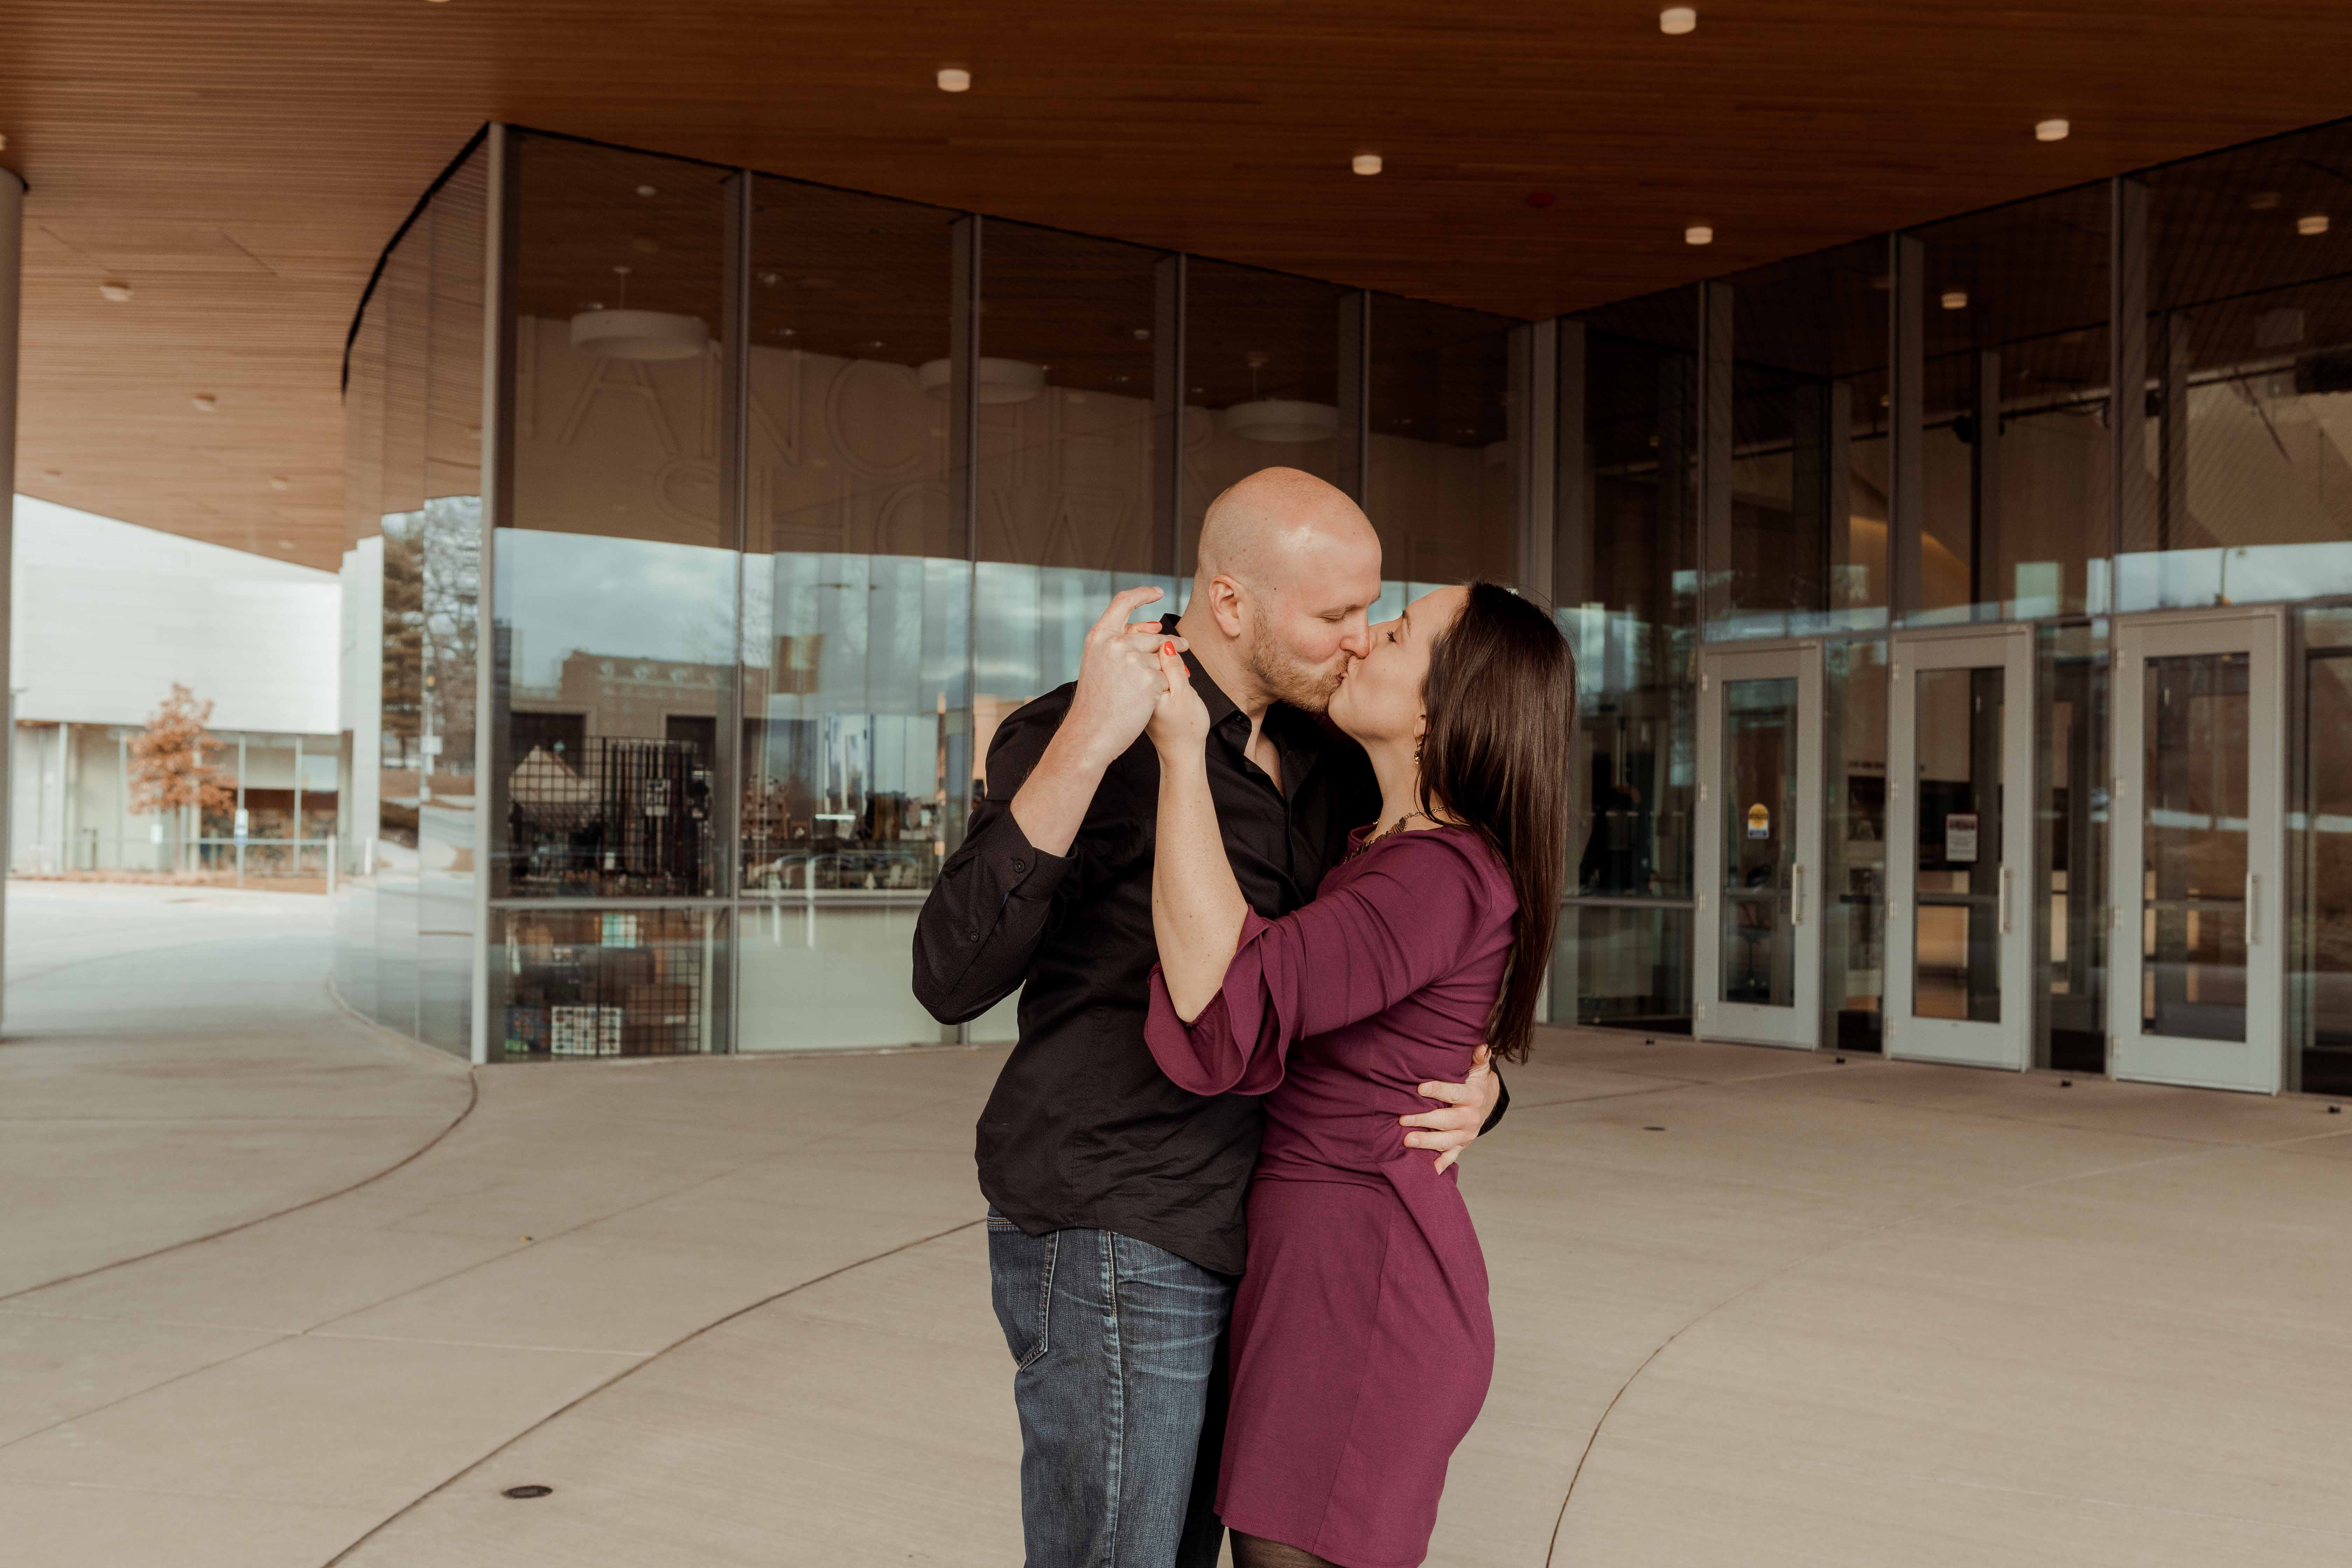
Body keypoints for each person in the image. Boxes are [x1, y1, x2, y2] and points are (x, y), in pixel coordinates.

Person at [911, 468, 1507, 1568]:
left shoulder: (1341, 757)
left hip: (1275, 1242)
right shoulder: (1084, 730)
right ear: (1231, 602)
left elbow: (1393, 957)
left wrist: (1486, 1084)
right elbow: (951, 976)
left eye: (1373, 612)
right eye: (1334, 614)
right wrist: (1089, 740)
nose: (1359, 638)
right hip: (1121, 1214)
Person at [1140, 581, 1574, 1568]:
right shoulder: (1390, 850)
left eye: (1396, 632)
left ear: (1436, 709)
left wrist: (1180, 754)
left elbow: (1227, 997)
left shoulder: (1436, 873)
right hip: (1328, 1266)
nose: (1361, 640)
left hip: (1361, 1280)